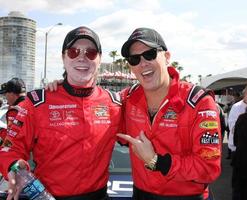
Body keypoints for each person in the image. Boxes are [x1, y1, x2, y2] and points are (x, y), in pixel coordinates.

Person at [0, 26, 122, 200]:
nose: (82, 57)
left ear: (100, 59)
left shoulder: (115, 103)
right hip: (48, 197)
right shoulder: (37, 102)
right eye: (73, 52)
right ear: (64, 58)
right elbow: (9, 149)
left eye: (91, 52)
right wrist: (13, 166)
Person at [117, 27, 222, 200]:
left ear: (166, 57)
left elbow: (208, 168)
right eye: (134, 59)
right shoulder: (127, 99)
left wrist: (157, 161)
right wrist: (59, 89)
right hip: (140, 195)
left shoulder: (198, 101)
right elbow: (94, 107)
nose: (143, 63)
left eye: (150, 54)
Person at [0, 78, 26, 147]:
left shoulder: (14, 110)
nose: (5, 98)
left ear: (11, 93)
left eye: (5, 94)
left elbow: (11, 140)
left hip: (21, 154)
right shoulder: (33, 105)